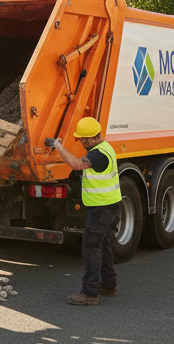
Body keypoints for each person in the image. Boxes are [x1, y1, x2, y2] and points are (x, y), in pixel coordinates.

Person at [46, 117, 121, 305]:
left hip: (101, 208)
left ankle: (89, 293)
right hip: (108, 205)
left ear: (90, 138)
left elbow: (77, 164)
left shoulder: (98, 154)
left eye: (82, 140)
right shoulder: (106, 148)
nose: (82, 143)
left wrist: (58, 146)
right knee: (103, 245)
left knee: (91, 247)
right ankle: (109, 285)